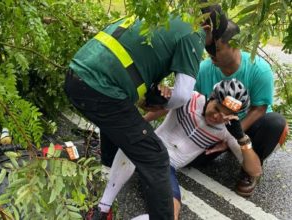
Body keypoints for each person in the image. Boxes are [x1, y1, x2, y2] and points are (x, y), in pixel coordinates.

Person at [64, 5, 227, 219]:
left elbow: (134, 61)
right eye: (212, 40)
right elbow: (182, 95)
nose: (208, 46)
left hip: (77, 76)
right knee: (155, 156)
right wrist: (161, 105)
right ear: (207, 26)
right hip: (102, 89)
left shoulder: (162, 16)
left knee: (129, 132)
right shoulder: (194, 31)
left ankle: (103, 206)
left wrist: (149, 95)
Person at [92, 79, 262, 220]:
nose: (218, 117)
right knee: (135, 141)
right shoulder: (189, 99)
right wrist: (155, 96)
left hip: (166, 167)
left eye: (225, 116)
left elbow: (255, 170)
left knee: (170, 216)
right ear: (211, 97)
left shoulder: (228, 130)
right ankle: (103, 209)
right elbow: (146, 110)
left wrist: (241, 139)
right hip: (150, 148)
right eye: (217, 109)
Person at [194, 19, 288, 197]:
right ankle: (230, 149)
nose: (212, 54)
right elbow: (192, 104)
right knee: (194, 162)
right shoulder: (203, 70)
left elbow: (259, 109)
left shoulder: (259, 69)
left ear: (235, 45)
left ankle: (249, 169)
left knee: (275, 122)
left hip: (246, 126)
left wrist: (234, 136)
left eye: (218, 49)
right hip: (216, 125)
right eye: (209, 49)